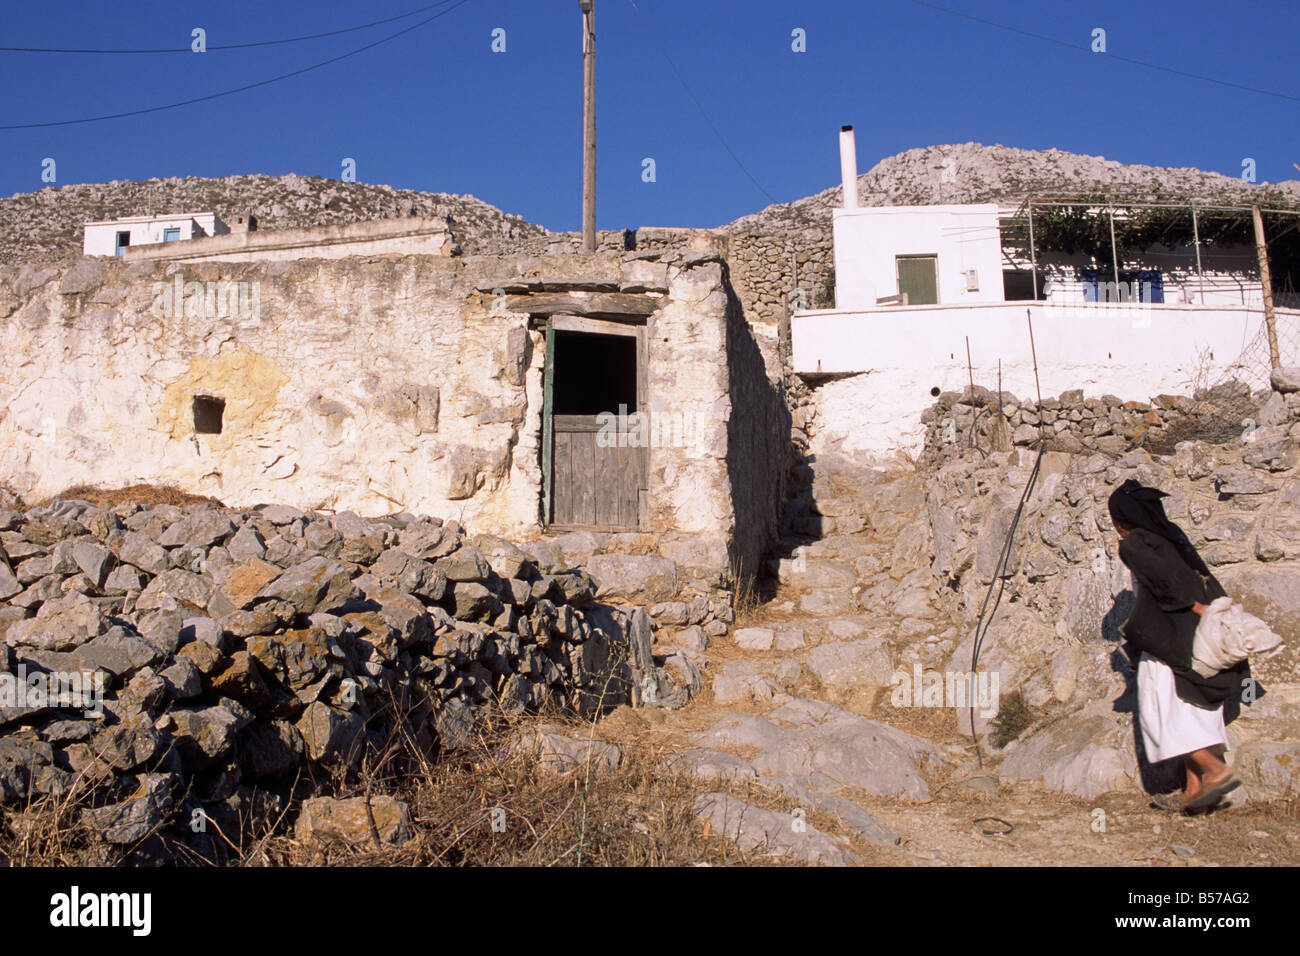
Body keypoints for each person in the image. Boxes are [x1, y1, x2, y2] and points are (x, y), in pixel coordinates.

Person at [1108, 478, 1246, 812]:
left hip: (1172, 643)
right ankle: (1193, 791)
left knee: (1164, 714)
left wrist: (1189, 604)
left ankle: (1216, 770)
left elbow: (1168, 580)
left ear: (1120, 519)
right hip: (1201, 643)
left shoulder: (1135, 544)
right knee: (1193, 710)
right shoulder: (1169, 537)